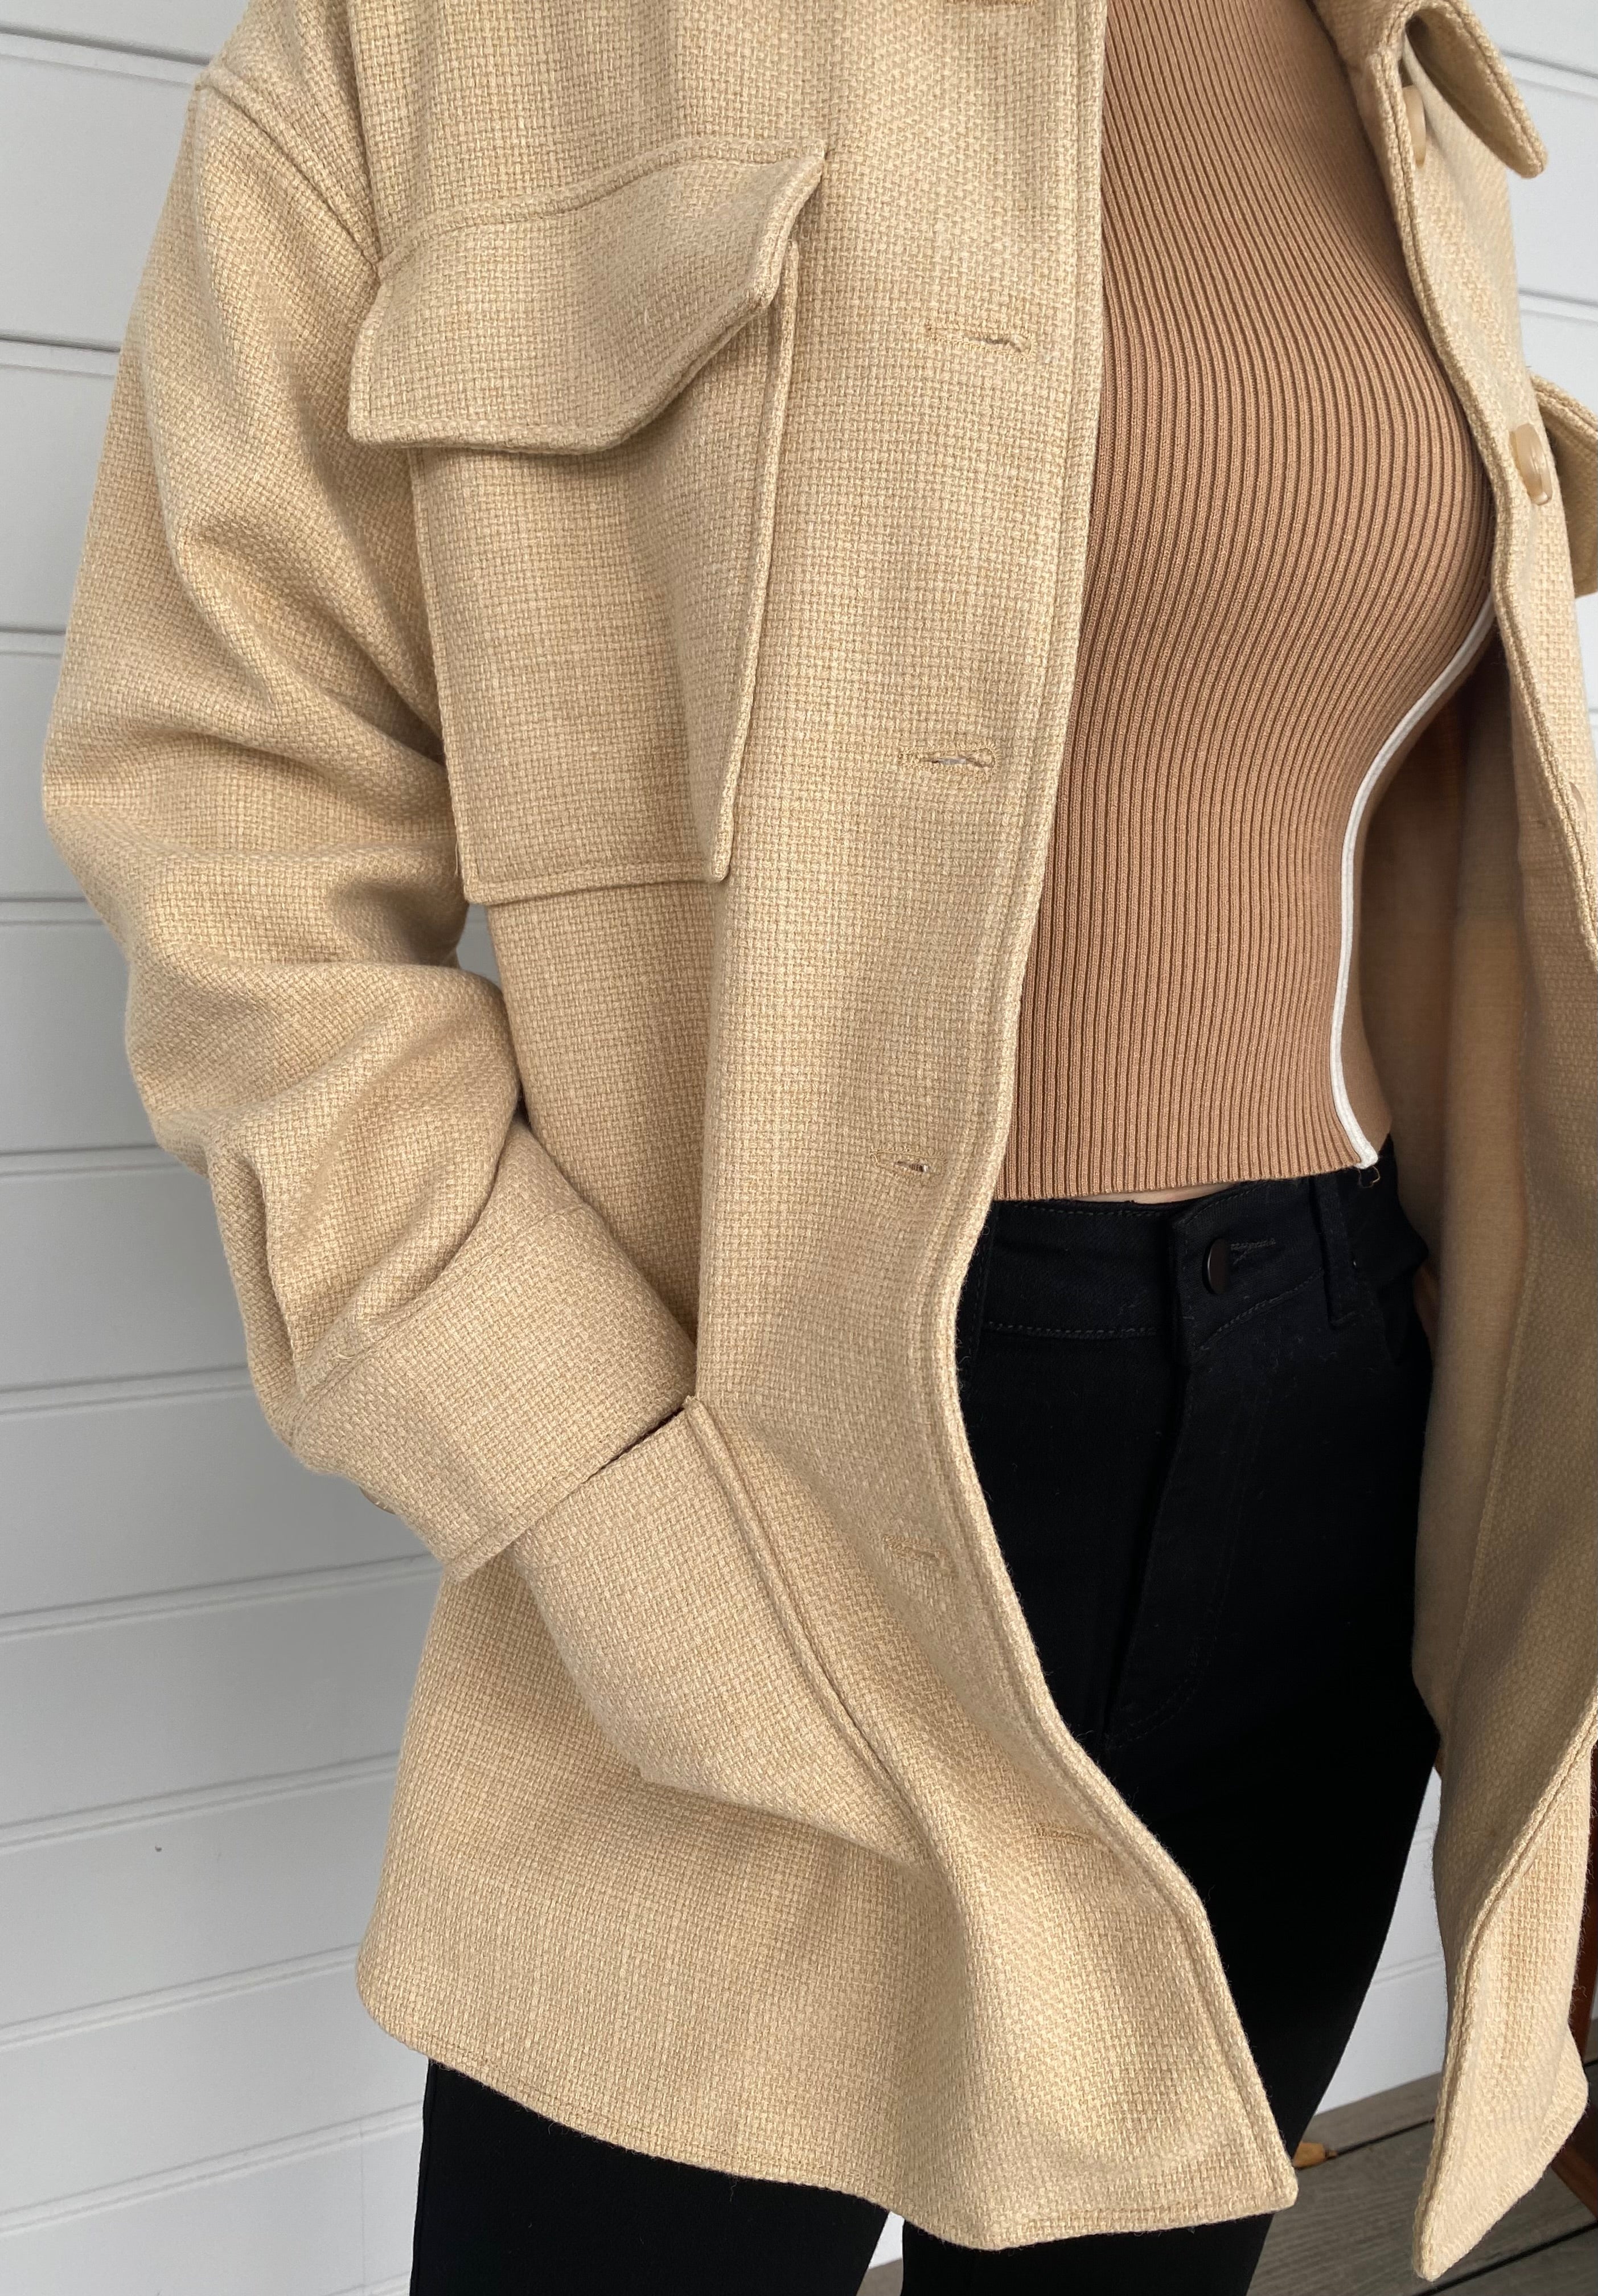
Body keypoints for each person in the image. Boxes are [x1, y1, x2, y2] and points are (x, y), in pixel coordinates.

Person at [41, 0, 1596, 2290]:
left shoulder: (1398, 77)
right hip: (734, 1447)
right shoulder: (445, 43)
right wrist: (596, 1483)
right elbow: (225, 818)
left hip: (1329, 1434)